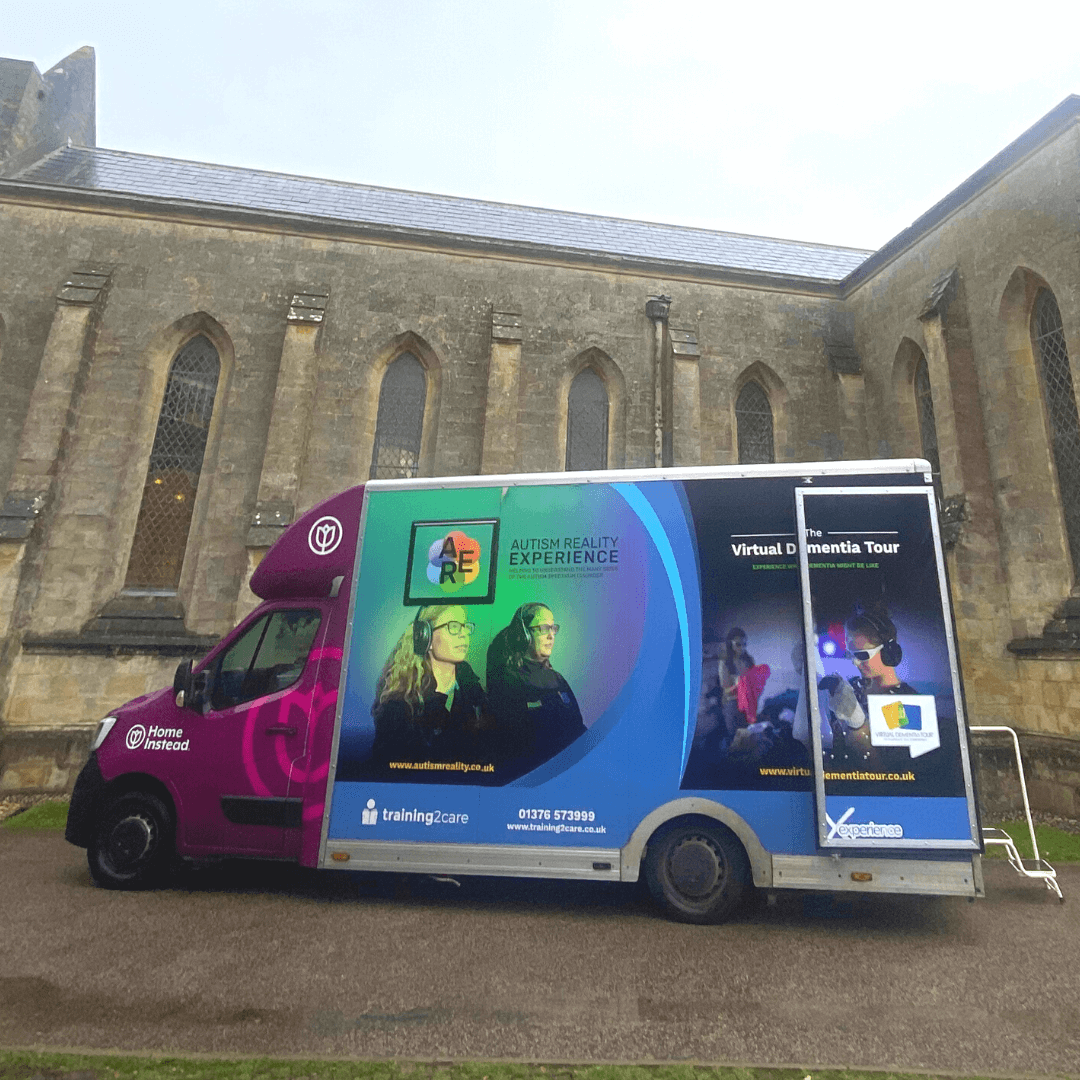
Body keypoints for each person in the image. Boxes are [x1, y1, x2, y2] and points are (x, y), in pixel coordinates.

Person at [365, 604, 490, 782]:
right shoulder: (399, 706)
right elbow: (386, 772)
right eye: (453, 627)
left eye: (465, 626)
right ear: (426, 637)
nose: (464, 634)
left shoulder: (472, 689)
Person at [486, 602, 585, 780]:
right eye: (543, 628)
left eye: (553, 628)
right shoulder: (506, 680)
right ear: (524, 635)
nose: (551, 635)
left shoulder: (557, 679)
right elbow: (515, 744)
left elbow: (578, 727)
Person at [824, 603, 915, 767]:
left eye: (862, 655)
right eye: (851, 654)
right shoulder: (852, 687)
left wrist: (857, 726)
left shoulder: (904, 703)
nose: (855, 662)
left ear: (889, 652)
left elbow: (886, 773)